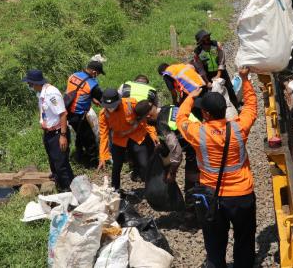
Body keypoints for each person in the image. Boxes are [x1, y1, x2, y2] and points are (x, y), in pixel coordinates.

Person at [176, 67, 258, 268]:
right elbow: (251, 107)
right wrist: (246, 79)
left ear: (205, 113)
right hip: (242, 195)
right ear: (225, 110)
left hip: (211, 197)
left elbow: (181, 118)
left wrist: (190, 96)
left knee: (214, 244)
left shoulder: (198, 133)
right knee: (244, 239)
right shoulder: (239, 127)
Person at [135, 99, 199, 199]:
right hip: (202, 133)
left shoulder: (162, 123)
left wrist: (172, 173)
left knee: (192, 179)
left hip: (197, 145)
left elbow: (177, 153)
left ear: (147, 116)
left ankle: (193, 208)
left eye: (143, 120)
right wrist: (162, 146)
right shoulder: (168, 107)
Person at [97, 88, 158, 190]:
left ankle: (152, 187)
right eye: (108, 107)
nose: (110, 109)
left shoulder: (131, 103)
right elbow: (103, 135)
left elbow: (145, 119)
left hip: (137, 135)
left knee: (144, 164)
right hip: (119, 139)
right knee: (116, 166)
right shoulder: (104, 114)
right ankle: (115, 190)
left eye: (113, 106)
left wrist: (153, 135)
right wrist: (103, 156)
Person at [23, 69, 74, 191]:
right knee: (53, 160)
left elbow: (62, 114)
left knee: (61, 164)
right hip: (49, 133)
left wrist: (63, 135)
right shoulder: (41, 93)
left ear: (36, 83)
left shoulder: (51, 94)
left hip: (58, 133)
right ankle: (58, 183)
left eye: (30, 84)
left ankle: (68, 189)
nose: (29, 86)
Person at [65, 60, 104, 167]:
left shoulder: (73, 76)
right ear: (95, 72)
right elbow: (103, 97)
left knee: (79, 133)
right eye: (98, 74)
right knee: (89, 138)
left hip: (67, 110)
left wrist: (91, 98)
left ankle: (79, 154)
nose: (97, 76)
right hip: (79, 114)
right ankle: (92, 162)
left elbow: (77, 91)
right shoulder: (92, 84)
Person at [192, 29, 239, 108]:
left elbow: (221, 60)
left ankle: (235, 106)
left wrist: (219, 74)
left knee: (229, 88)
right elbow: (200, 69)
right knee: (211, 93)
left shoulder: (216, 45)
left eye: (208, 37)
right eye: (205, 38)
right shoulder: (197, 53)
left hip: (220, 71)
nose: (208, 39)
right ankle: (218, 110)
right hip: (208, 75)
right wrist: (207, 82)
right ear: (201, 41)